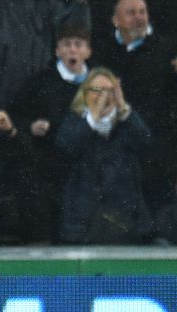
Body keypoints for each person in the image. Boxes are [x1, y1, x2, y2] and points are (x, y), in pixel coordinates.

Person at [91, 0, 177, 212]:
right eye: (131, 13)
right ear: (115, 20)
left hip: (158, 140)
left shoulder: (167, 51)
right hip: (114, 138)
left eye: (142, 12)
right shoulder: (102, 52)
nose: (139, 17)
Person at [10, 23, 92, 242]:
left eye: (78, 44)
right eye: (67, 44)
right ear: (57, 50)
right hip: (47, 168)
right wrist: (30, 126)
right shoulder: (40, 83)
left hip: (86, 169)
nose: (72, 50)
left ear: (87, 51)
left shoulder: (98, 84)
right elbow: (15, 115)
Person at [55, 67, 155, 243]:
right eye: (96, 90)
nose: (104, 96)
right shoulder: (75, 120)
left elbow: (147, 145)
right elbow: (65, 148)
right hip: (82, 220)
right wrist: (93, 117)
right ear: (84, 94)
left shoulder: (126, 123)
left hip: (125, 220)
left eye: (110, 90)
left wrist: (124, 109)